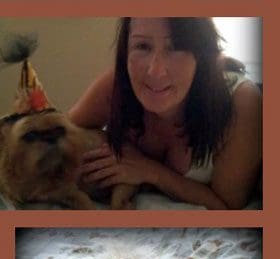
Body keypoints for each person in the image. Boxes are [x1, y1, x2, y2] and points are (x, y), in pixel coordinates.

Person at [70, 18, 262, 209]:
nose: (156, 71)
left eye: (176, 47)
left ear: (201, 54)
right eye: (143, 46)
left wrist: (149, 170)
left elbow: (228, 207)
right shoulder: (118, 84)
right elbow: (57, 133)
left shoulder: (242, 101)